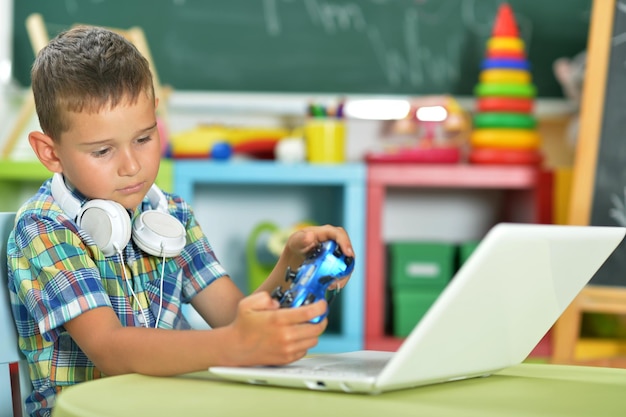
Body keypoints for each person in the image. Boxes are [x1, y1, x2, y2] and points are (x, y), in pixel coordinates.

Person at [7, 26, 354, 417]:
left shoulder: (171, 215)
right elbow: (110, 349)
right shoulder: (44, 228)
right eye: (103, 150)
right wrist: (234, 345)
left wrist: (291, 266)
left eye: (144, 138)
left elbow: (234, 317)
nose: (133, 166)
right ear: (50, 154)